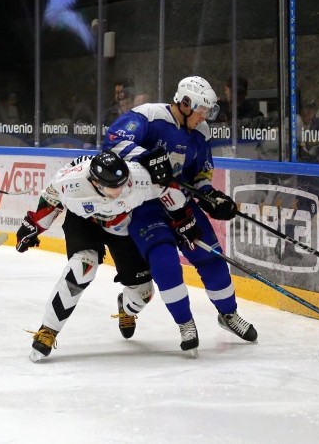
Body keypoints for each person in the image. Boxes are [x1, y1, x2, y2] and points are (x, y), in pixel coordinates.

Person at [102, 75, 258, 352]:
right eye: (202, 111)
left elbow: (200, 175)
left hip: (183, 204)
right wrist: (147, 158)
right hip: (145, 206)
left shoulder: (201, 132)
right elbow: (112, 141)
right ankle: (185, 322)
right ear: (185, 104)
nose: (205, 117)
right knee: (165, 261)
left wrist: (211, 196)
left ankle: (229, 314)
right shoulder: (149, 116)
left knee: (211, 257)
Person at [17, 150, 197, 362]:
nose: (121, 190)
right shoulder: (72, 181)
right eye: (114, 187)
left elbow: (168, 190)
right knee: (83, 268)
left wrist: (183, 221)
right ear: (95, 182)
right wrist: (34, 226)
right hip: (83, 222)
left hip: (120, 227)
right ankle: (48, 330)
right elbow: (51, 198)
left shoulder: (138, 178)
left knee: (144, 293)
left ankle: (126, 309)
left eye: (123, 183)